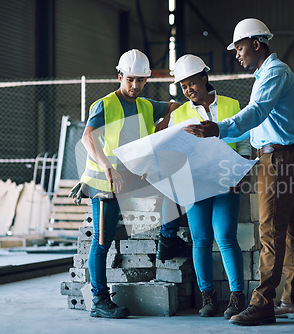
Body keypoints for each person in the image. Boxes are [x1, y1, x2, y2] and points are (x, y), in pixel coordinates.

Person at [184, 18, 294, 326]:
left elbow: (255, 114)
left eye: (240, 48)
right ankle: (292, 300)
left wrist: (218, 128)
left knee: (270, 231)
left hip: (279, 159)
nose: (237, 55)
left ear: (257, 43)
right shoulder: (265, 74)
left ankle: (262, 302)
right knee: (289, 229)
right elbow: (255, 124)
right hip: (279, 156)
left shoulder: (274, 73)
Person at [73, 49, 189, 319]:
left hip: (133, 179)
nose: (135, 86)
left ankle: (167, 241)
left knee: (174, 187)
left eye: (141, 80)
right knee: (102, 243)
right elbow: (87, 138)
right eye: (130, 80)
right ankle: (100, 300)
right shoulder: (104, 105)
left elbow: (173, 106)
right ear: (120, 76)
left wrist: (165, 121)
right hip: (105, 184)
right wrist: (106, 167)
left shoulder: (146, 105)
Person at [169, 54, 251, 319]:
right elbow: (173, 151)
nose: (188, 89)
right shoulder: (179, 114)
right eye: (183, 86)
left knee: (226, 237)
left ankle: (237, 296)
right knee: (201, 240)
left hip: (227, 183)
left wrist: (241, 173)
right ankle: (208, 297)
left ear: (204, 78)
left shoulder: (232, 105)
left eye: (191, 83)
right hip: (195, 185)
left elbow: (244, 142)